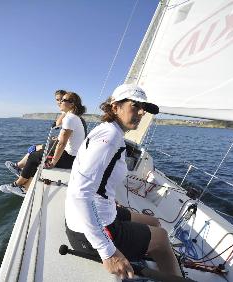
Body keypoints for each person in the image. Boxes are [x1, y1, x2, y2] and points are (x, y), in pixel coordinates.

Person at [65, 84, 182, 279]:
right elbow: (80, 193)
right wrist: (108, 252)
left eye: (143, 109)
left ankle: (140, 250)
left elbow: (94, 182)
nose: (141, 112)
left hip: (99, 213)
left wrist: (109, 201)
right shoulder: (110, 138)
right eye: (135, 106)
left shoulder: (106, 130)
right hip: (90, 233)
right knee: (161, 239)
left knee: (154, 222)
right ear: (114, 107)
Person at [0, 91, 87, 196]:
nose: (60, 102)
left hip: (70, 158)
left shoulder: (70, 118)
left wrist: (53, 162)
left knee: (33, 157)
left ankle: (19, 186)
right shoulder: (72, 116)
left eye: (63, 100)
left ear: (72, 104)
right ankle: (22, 182)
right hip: (72, 156)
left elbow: (62, 144)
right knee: (38, 154)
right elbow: (66, 139)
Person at [5, 90, 67, 177]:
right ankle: (19, 167)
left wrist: (57, 122)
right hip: (62, 145)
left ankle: (18, 168)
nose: (59, 102)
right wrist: (57, 136)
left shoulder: (67, 113)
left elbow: (59, 124)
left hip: (65, 150)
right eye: (57, 100)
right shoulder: (68, 113)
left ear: (66, 99)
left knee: (34, 151)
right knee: (35, 148)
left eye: (62, 99)